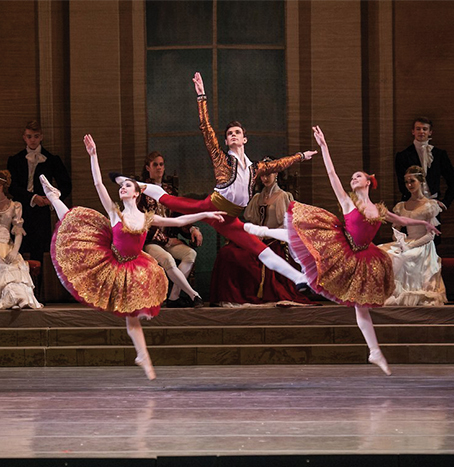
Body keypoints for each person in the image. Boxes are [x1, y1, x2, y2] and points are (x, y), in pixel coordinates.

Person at [244, 126, 441, 376]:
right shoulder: (348, 202)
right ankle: (262, 231)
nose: (353, 180)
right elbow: (331, 173)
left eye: (357, 177)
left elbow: (401, 221)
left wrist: (423, 223)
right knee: (302, 235)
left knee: (361, 307)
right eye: (352, 178)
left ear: (368, 182)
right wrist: (324, 147)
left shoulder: (379, 210)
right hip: (341, 245)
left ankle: (375, 352)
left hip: (363, 256)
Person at [40, 134, 225, 380]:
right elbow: (98, 185)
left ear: (137, 194)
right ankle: (54, 197)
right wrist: (93, 155)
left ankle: (143, 357)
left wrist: (205, 215)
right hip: (111, 258)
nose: (123, 187)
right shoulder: (116, 214)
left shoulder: (148, 218)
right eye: (122, 186)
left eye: (128, 185)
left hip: (134, 267)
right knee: (77, 224)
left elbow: (179, 219)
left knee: (135, 315)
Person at [111, 72, 318, 291]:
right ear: (227, 140)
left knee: (258, 247)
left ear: (245, 139)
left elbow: (279, 164)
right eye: (230, 134)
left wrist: (301, 156)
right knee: (171, 201)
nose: (234, 135)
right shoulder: (222, 159)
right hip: (212, 205)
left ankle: (299, 279)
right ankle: (131, 182)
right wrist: (201, 97)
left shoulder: (256, 167)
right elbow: (207, 130)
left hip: (229, 219)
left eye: (237, 132)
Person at [210, 164, 315, 305]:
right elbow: (251, 219)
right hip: (256, 238)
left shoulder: (283, 196)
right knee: (227, 252)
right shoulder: (257, 197)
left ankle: (250, 292)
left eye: (269, 174)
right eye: (263, 175)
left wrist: (265, 234)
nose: (265, 178)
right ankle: (229, 296)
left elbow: (286, 225)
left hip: (274, 241)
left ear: (276, 174)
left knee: (242, 257)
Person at [139, 151, 204, 308]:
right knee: (167, 258)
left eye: (161, 164)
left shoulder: (170, 191)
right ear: (148, 167)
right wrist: (166, 240)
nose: (159, 168)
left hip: (170, 238)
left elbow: (179, 216)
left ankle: (174, 297)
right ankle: (192, 294)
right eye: (155, 164)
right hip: (151, 241)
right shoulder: (141, 191)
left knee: (190, 254)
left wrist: (193, 229)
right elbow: (142, 224)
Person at [379, 166, 447, 306]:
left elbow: (430, 236)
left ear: (421, 182)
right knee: (383, 252)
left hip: (423, 244)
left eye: (412, 181)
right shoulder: (401, 206)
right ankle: (387, 291)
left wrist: (410, 245)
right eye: (407, 182)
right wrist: (399, 239)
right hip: (407, 240)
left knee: (404, 257)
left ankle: (408, 292)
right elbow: (397, 227)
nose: (409, 185)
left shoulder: (430, 205)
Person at [7, 120, 72, 264]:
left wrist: (52, 199)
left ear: (41, 137)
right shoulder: (15, 160)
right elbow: (12, 187)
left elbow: (66, 185)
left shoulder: (52, 160)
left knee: (39, 253)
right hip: (20, 209)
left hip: (41, 212)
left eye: (36, 136)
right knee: (18, 250)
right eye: (29, 136)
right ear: (24, 137)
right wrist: (32, 197)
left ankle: (39, 286)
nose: (33, 140)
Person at [0, 170, 42, 309]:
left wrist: (15, 251)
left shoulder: (14, 206)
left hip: (6, 245)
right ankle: (12, 299)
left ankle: (19, 299)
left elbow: (18, 231)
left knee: (14, 271)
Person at [395, 117, 454, 209]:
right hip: (411, 204)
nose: (421, 132)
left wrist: (445, 202)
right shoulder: (403, 156)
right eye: (418, 129)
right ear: (413, 131)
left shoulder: (439, 154)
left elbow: (452, 180)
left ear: (430, 132)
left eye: (425, 129)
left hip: (433, 204)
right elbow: (402, 183)